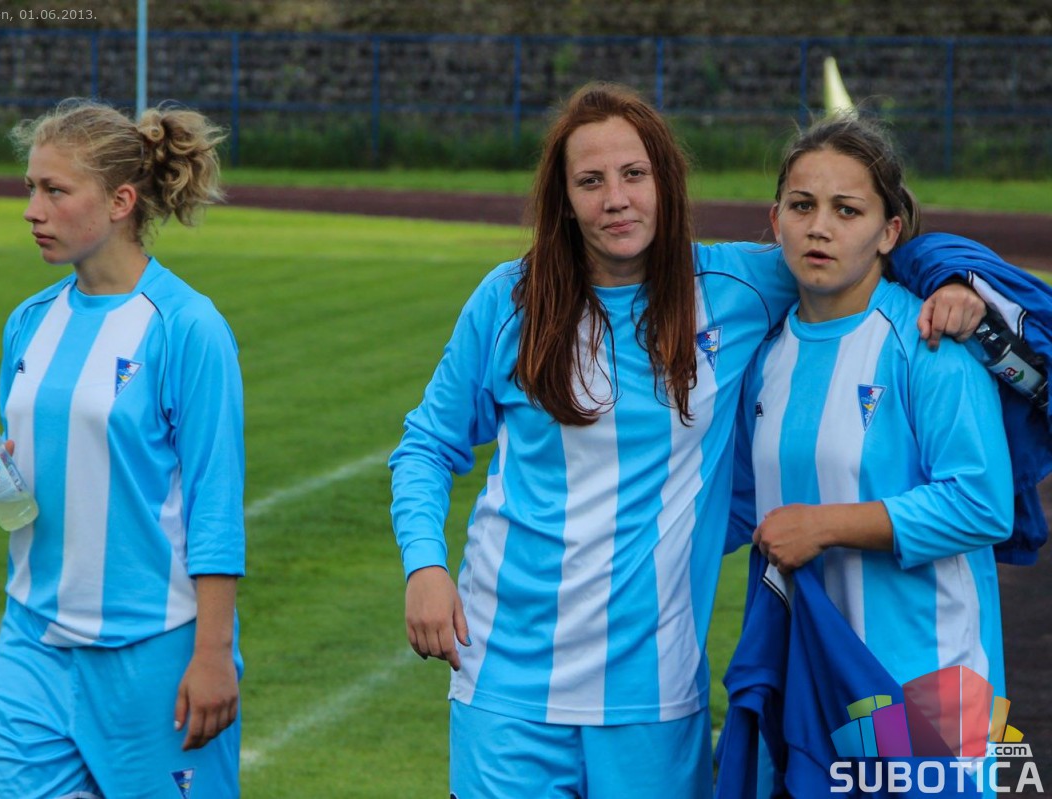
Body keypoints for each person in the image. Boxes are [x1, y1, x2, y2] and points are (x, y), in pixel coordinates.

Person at [388, 82, 985, 797]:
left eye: (634, 174)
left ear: (666, 184)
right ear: (564, 199)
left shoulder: (738, 285)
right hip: (504, 682)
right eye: (591, 181)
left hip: (656, 692)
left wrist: (953, 279)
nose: (616, 199)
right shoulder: (510, 298)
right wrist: (424, 566)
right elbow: (427, 445)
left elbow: (864, 242)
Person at [0, 98, 245, 799]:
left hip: (153, 650)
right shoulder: (28, 321)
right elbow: (29, 461)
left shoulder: (187, 327)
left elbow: (215, 503)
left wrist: (212, 653)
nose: (32, 210)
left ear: (120, 202)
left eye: (55, 190)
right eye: (30, 188)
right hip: (32, 643)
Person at [721, 114, 1013, 796]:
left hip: (933, 683)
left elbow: (982, 503)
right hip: (812, 678)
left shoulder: (929, 342)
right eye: (802, 206)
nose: (819, 227)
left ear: (889, 232)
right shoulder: (764, 359)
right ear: (776, 221)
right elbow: (733, 507)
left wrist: (823, 526)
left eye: (846, 210)